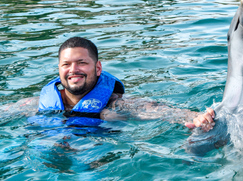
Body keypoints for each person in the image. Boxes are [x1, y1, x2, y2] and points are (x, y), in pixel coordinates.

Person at [1, 37, 201, 126]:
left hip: (94, 160)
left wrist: (196, 117)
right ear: (59, 70)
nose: (73, 70)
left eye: (81, 63)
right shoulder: (36, 104)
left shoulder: (116, 104)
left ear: (98, 68)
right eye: (66, 65)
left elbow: (164, 111)